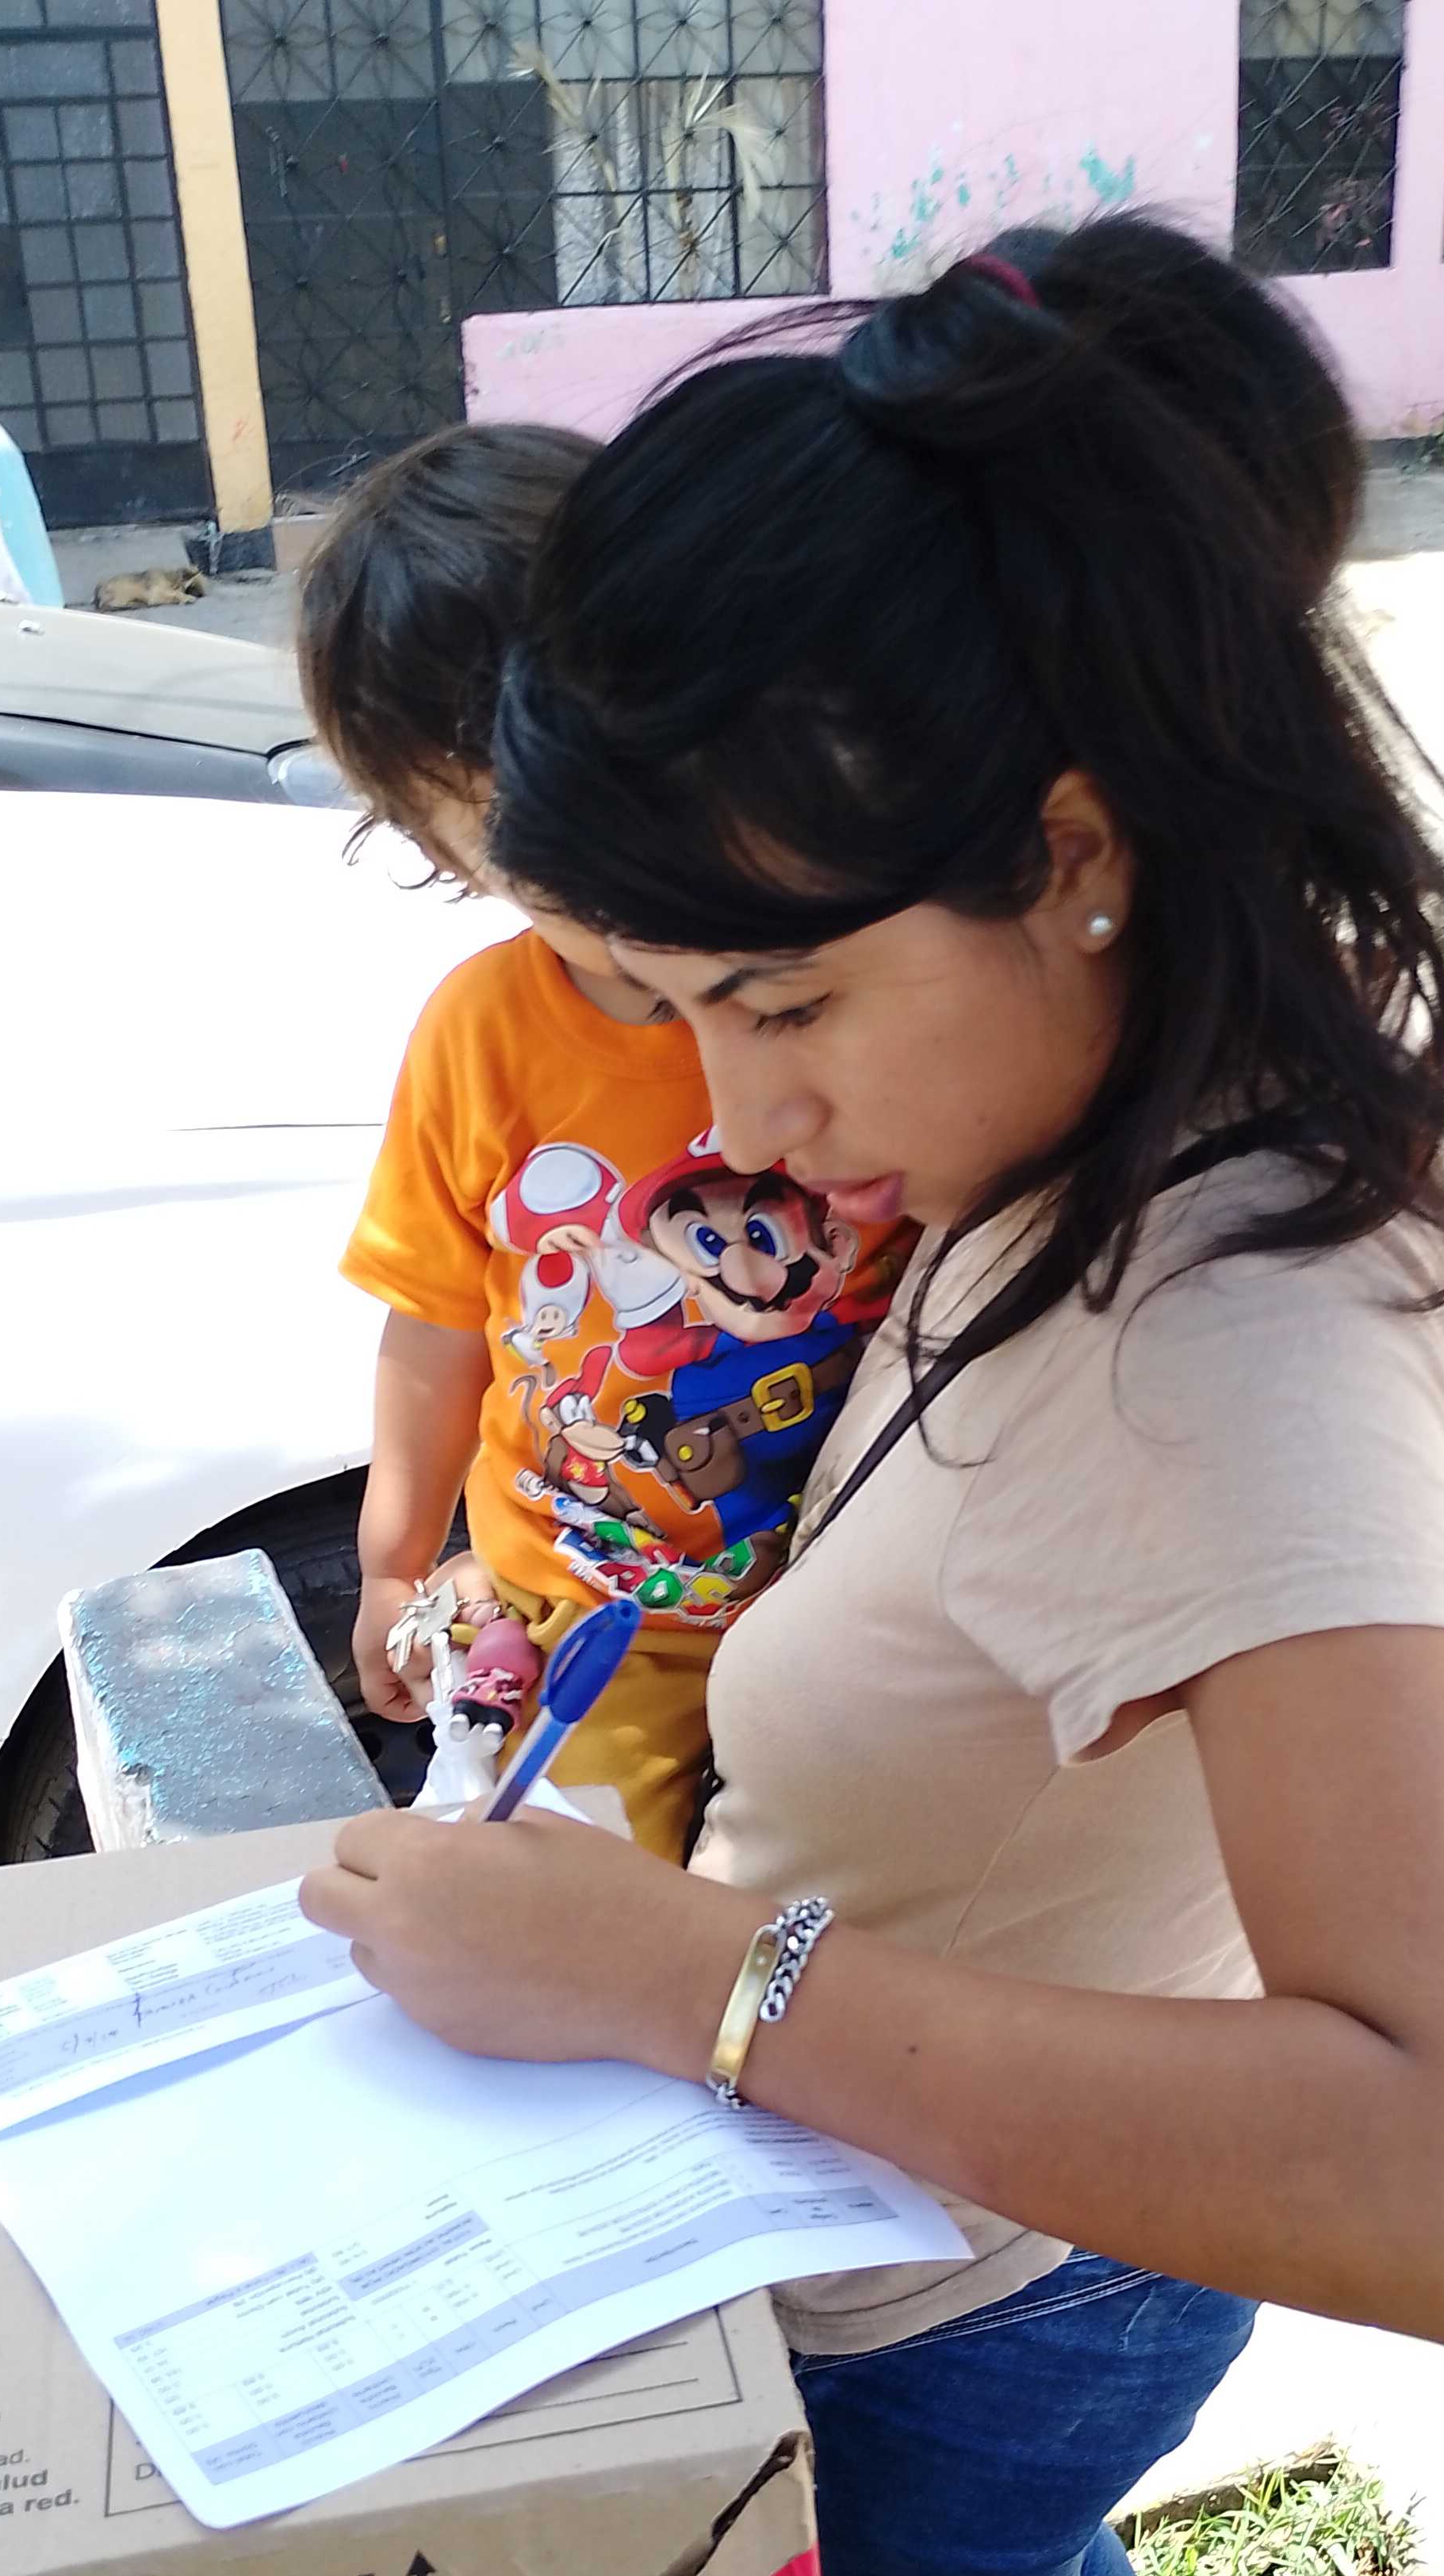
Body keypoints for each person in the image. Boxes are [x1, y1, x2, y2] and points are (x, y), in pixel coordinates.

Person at [298, 220, 1444, 2576]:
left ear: (1072, 841)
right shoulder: (1089, 1129)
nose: (744, 1122)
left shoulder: (1225, 1325)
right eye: (679, 1014)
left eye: (779, 1006)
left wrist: (684, 1978)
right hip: (988, 2224)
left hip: (991, 2267)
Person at [299, 425, 907, 1858]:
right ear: (442, 849)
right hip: (588, 1611)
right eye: (524, 825)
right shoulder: (482, 1034)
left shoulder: (849, 964)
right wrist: (393, 1564)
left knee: (818, 1905)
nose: (602, 851)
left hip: (856, 1594)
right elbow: (434, 1317)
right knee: (573, 1899)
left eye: (628, 773)